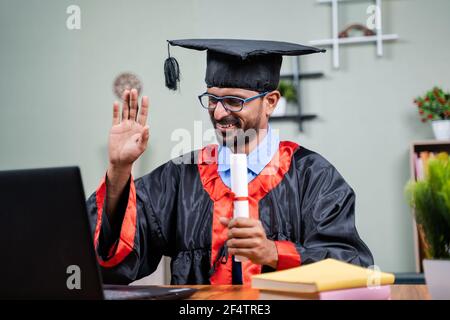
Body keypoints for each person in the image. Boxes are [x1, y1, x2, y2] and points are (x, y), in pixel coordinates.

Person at [86, 39, 373, 285]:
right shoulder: (182, 175)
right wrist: (120, 169)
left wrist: (274, 252)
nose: (220, 113)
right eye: (212, 99)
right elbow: (112, 256)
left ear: (270, 102)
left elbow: (352, 268)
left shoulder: (312, 176)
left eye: (234, 101)